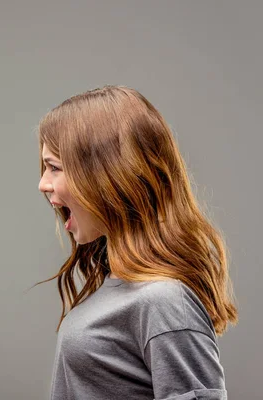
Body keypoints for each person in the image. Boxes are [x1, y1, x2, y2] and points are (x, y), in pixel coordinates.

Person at [37, 85, 237, 400]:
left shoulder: (164, 301)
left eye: (54, 167)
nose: (43, 183)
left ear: (107, 175)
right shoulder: (119, 286)